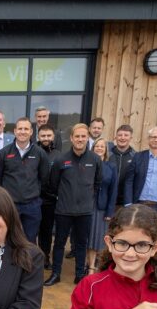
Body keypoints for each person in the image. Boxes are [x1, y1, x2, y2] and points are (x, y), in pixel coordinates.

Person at [46, 123, 101, 286]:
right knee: (59, 244)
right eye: (77, 136)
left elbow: (97, 183)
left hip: (85, 211)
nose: (80, 139)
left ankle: (79, 275)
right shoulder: (61, 160)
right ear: (71, 138)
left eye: (83, 136)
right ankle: (56, 273)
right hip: (64, 210)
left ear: (88, 138)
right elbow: (53, 184)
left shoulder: (95, 159)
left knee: (81, 244)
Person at [0, 117, 49, 243]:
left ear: (31, 132)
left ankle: (27, 263)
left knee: (30, 240)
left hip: (32, 206)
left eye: (26, 129)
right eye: (20, 128)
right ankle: (9, 263)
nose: (23, 131)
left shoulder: (40, 153)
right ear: (15, 131)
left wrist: (34, 194)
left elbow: (44, 179)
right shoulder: (3, 153)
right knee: (7, 239)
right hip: (10, 205)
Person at [88, 137, 118, 275]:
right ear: (92, 148)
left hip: (102, 207)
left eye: (102, 146)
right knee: (88, 237)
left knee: (99, 237)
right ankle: (89, 267)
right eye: (97, 146)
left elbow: (113, 190)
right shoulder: (87, 164)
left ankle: (99, 266)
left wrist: (110, 212)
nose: (99, 148)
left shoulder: (111, 166)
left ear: (106, 150)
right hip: (87, 205)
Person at [36, 125, 60, 268]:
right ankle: (32, 257)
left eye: (48, 136)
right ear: (38, 137)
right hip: (34, 198)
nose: (46, 138)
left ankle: (45, 257)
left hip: (50, 200)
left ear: (53, 136)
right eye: (43, 136)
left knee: (46, 231)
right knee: (32, 231)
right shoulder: (33, 152)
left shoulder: (58, 155)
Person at [109, 125, 137, 213]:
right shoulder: (108, 155)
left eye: (126, 135)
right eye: (120, 135)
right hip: (108, 201)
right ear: (115, 137)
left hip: (126, 203)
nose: (122, 138)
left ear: (131, 138)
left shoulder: (136, 156)